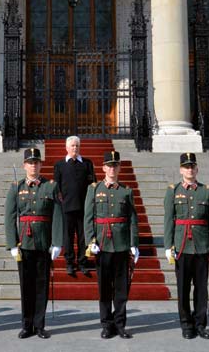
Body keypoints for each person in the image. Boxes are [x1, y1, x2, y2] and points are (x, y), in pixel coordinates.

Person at [5, 148, 63, 339]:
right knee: (26, 286)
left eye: (36, 162)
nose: (33, 165)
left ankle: (39, 325)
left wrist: (57, 242)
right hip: (24, 242)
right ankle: (26, 325)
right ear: (24, 165)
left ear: (41, 165)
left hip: (43, 242)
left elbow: (57, 216)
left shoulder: (51, 187)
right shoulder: (16, 187)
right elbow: (10, 217)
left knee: (41, 285)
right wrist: (12, 244)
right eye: (30, 162)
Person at [163, 153, 209, 339]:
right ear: (181, 170)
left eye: (192, 166)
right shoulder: (173, 190)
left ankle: (200, 324)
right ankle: (186, 325)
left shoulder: (206, 191)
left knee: (201, 289)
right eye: (186, 166)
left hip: (202, 246)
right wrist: (168, 245)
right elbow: (169, 220)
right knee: (183, 288)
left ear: (197, 169)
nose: (189, 170)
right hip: (181, 246)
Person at [84, 150, 138, 339]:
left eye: (115, 165)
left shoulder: (126, 190)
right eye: (109, 165)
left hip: (121, 245)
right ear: (104, 168)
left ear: (119, 168)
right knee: (105, 288)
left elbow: (132, 219)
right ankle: (107, 324)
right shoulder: (94, 189)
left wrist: (133, 243)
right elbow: (88, 218)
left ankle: (120, 324)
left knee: (122, 288)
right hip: (103, 244)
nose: (112, 169)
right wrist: (91, 241)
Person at [53, 135, 95, 277]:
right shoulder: (60, 165)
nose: (75, 148)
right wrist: (61, 203)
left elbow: (92, 185)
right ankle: (70, 263)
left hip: (84, 208)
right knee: (68, 238)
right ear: (66, 147)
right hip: (67, 208)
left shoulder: (87, 164)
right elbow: (57, 187)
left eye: (77, 145)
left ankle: (83, 262)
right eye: (72, 146)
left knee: (83, 237)